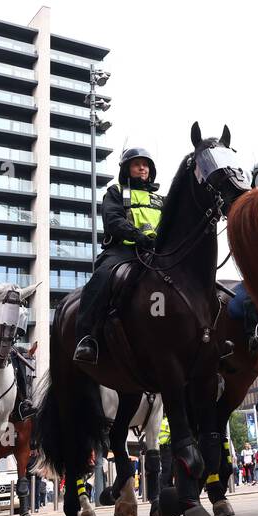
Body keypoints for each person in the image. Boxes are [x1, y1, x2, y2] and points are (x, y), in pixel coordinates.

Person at [74, 146, 164, 364]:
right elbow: (113, 221)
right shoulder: (116, 191)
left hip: (156, 252)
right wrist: (140, 236)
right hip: (123, 251)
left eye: (145, 164)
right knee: (103, 276)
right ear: (127, 169)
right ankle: (87, 337)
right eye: (136, 164)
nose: (142, 167)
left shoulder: (162, 199)